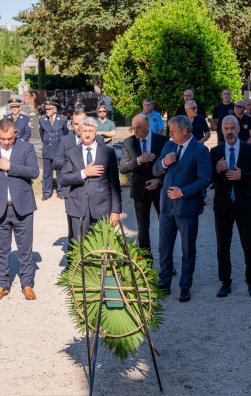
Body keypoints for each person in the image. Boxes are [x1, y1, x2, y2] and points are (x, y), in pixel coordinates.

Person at [0, 118, 40, 301]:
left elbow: (34, 172)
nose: (6, 142)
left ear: (15, 134)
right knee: (1, 249)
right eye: (3, 138)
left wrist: (11, 167)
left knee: (25, 248)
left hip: (22, 206)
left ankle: (27, 284)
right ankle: (2, 285)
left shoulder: (26, 148)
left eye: (10, 138)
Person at [153, 115, 212, 303]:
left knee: (188, 250)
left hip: (186, 207)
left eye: (173, 131)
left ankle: (185, 287)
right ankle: (164, 283)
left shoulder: (200, 150)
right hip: (167, 207)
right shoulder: (169, 146)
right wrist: (164, 163)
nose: (170, 134)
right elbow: (155, 170)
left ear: (185, 131)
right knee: (164, 247)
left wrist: (183, 192)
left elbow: (205, 180)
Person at [210, 116, 251, 298]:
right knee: (222, 246)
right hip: (223, 206)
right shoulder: (216, 151)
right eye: (226, 128)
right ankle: (225, 282)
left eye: (233, 127)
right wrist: (217, 170)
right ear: (222, 131)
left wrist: (243, 175)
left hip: (244, 205)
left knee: (249, 245)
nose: (229, 131)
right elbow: (208, 178)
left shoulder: (250, 149)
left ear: (239, 129)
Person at [60, 117, 122, 241]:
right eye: (84, 131)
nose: (87, 135)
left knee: (101, 247)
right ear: (79, 131)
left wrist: (116, 211)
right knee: (80, 248)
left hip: (102, 208)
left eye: (91, 131)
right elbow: (64, 179)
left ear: (96, 132)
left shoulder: (108, 152)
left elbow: (115, 183)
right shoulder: (71, 152)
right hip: (78, 208)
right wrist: (84, 173)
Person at [119, 114, 168, 252]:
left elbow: (171, 167)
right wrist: (139, 160)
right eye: (133, 128)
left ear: (148, 126)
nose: (135, 131)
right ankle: (146, 264)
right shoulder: (129, 142)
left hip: (159, 190)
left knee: (165, 226)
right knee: (142, 229)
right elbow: (122, 168)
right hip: (140, 191)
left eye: (138, 128)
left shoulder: (162, 140)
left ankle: (166, 263)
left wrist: (159, 180)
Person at [38, 100, 69, 200]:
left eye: (49, 109)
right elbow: (42, 134)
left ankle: (61, 191)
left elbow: (65, 134)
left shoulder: (62, 120)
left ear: (54, 110)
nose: (47, 111)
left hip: (58, 149)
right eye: (46, 109)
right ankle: (47, 192)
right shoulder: (42, 120)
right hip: (48, 149)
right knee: (47, 173)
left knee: (60, 172)